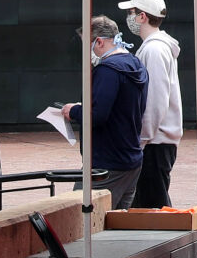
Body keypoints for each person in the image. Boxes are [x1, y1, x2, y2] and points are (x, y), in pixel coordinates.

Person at [63, 16, 148, 212]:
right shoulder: (135, 63)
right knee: (117, 223)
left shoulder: (107, 70)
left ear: (99, 41)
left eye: (88, 44)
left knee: (78, 217)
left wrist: (73, 110)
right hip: (131, 158)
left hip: (107, 162)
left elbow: (98, 115)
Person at [119, 0, 181, 209]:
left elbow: (155, 99)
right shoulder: (155, 47)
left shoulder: (154, 50)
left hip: (155, 141)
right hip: (157, 140)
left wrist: (141, 139)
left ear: (142, 16)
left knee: (153, 208)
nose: (129, 17)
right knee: (152, 204)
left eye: (131, 12)